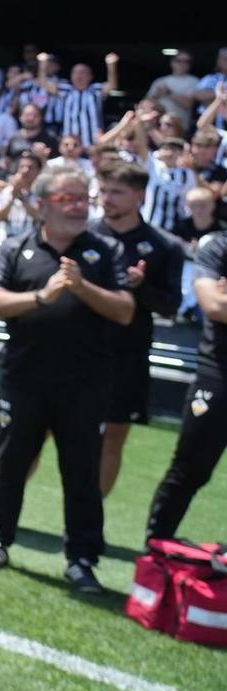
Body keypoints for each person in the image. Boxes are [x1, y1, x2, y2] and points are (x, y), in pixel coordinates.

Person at [0, 164, 133, 592]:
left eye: (84, 198)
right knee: (10, 463)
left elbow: (124, 310)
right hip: (24, 377)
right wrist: (40, 297)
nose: (80, 206)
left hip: (86, 384)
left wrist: (83, 288)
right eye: (69, 198)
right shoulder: (17, 247)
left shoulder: (106, 251)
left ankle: (82, 559)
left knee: (81, 472)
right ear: (43, 205)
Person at [91, 159, 184, 496]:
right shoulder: (83, 234)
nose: (107, 198)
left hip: (127, 353)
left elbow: (171, 306)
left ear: (140, 197)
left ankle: (91, 516)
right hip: (76, 349)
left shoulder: (165, 245)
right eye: (103, 190)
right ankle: (3, 508)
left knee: (114, 434)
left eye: (117, 192)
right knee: (41, 427)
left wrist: (141, 286)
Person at [145, 230, 226, 540]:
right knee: (190, 469)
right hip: (218, 372)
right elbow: (214, 306)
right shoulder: (218, 246)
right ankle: (156, 553)